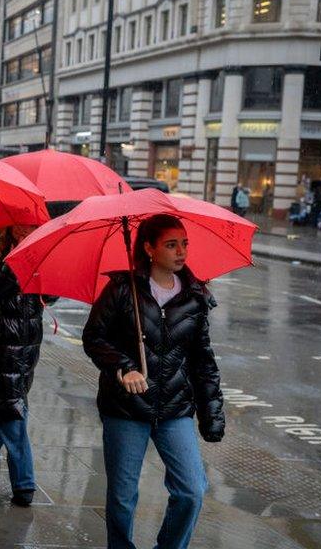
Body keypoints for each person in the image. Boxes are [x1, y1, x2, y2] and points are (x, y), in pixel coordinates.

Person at [82, 214, 225, 549]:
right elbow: (94, 337)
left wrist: (212, 415)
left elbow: (203, 360)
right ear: (148, 248)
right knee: (122, 497)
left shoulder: (194, 296)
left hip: (175, 409)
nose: (180, 251)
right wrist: (124, 366)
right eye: (171, 244)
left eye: (184, 244)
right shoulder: (122, 288)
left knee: (191, 490)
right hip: (126, 408)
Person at [0, 225, 45, 508]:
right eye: (24, 224)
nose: (29, 229)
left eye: (33, 225)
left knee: (7, 395)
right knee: (12, 401)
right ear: (10, 224)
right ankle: (24, 483)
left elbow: (48, 297)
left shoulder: (40, 250)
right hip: (0, 337)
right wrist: (16, 264)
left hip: (29, 339)